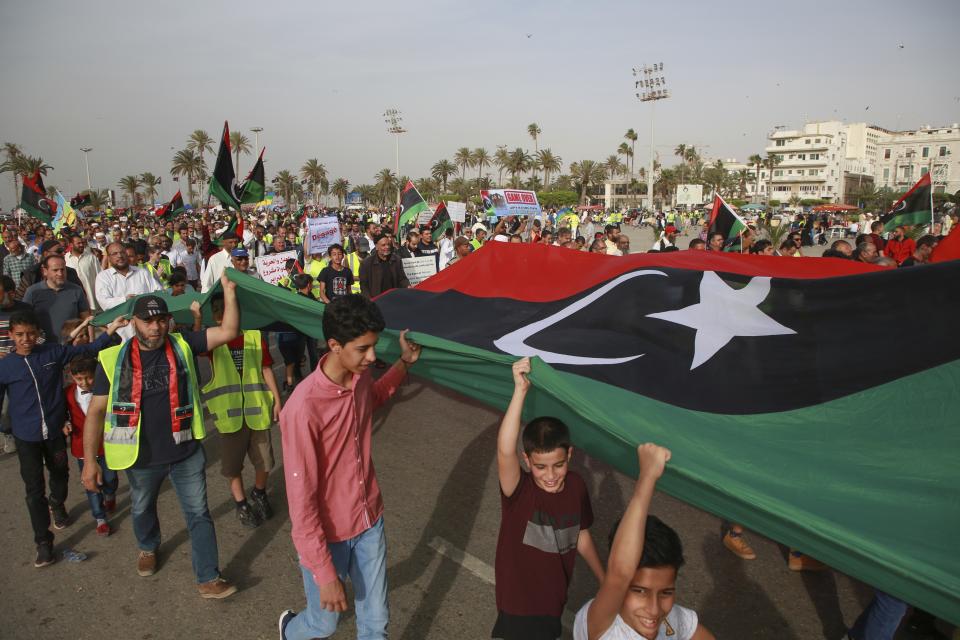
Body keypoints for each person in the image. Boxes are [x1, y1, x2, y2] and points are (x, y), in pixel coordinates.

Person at [81, 274, 241, 598]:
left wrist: (229, 292)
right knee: (142, 508)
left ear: (169, 321)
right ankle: (147, 545)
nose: (155, 327)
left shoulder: (183, 344)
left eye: (160, 320)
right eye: (147, 321)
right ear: (134, 322)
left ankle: (208, 577)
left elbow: (228, 331)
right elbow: (95, 412)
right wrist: (89, 463)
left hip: (185, 451)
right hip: (140, 457)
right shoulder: (111, 359)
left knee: (199, 513)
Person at [278, 294, 422, 640]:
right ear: (334, 345)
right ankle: (289, 629)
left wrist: (403, 363)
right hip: (327, 537)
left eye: (374, 346)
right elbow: (301, 504)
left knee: (376, 621)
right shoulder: (302, 409)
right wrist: (326, 575)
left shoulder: (359, 380)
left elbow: (374, 397)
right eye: (363, 349)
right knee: (323, 624)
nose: (372, 357)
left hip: (369, 520)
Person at [0, 310, 125, 567]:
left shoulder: (51, 353)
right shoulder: (5, 367)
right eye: (20, 335)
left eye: (31, 334)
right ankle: (43, 542)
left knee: (60, 476)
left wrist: (111, 330)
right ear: (11, 335)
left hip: (56, 433)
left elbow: (89, 349)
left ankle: (57, 503)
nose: (26, 339)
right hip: (26, 438)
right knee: (34, 491)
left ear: (38, 334)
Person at [492, 357, 604, 640]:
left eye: (558, 465)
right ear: (526, 460)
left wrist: (605, 578)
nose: (550, 475)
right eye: (540, 467)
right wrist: (520, 391)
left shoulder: (577, 486)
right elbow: (504, 450)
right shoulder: (520, 492)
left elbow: (581, 534)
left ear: (569, 455)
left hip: (554, 602)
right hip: (519, 605)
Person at [575, 445, 713, 640]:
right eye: (639, 591)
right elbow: (620, 573)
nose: (654, 609)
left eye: (666, 592)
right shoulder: (605, 629)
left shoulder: (673, 618)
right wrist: (648, 475)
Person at [202, 295, 282, 529]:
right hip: (230, 418)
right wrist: (197, 320)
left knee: (265, 461)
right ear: (218, 319)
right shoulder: (213, 341)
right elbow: (192, 346)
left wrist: (277, 400)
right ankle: (241, 504)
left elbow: (266, 369)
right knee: (232, 466)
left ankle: (259, 493)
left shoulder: (255, 337)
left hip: (258, 413)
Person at [64, 355, 118, 537]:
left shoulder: (106, 390)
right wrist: (64, 423)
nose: (84, 383)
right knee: (91, 484)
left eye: (88, 377)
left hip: (107, 444)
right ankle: (100, 518)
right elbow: (62, 413)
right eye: (79, 378)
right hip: (82, 447)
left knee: (110, 478)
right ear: (72, 377)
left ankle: (110, 494)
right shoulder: (67, 394)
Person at [95, 241, 163, 341]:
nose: (120, 256)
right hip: (121, 333)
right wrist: (125, 300)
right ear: (109, 258)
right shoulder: (103, 277)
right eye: (115, 254)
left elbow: (158, 292)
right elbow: (104, 302)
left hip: (148, 329)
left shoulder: (142, 273)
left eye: (122, 252)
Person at [23, 254, 92, 345]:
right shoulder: (32, 292)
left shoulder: (76, 290)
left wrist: (91, 342)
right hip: (43, 348)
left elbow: (86, 318)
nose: (60, 274)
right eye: (55, 270)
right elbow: (24, 321)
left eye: (62, 270)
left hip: (70, 347)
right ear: (45, 271)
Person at [0, 275, 31, 454]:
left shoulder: (25, 310)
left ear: (11, 293)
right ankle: (6, 430)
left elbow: (39, 334)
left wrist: (20, 349)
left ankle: (13, 433)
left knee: (11, 405)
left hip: (20, 364)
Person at [359, 234, 409, 299]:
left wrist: (407, 286)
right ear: (376, 247)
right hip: (376, 301)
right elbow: (364, 286)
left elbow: (402, 279)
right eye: (383, 245)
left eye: (388, 244)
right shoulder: (366, 264)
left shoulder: (396, 260)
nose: (387, 247)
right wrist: (370, 301)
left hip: (395, 299)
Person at [65, 233, 102, 312]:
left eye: (82, 243)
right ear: (71, 244)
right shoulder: (65, 259)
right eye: (78, 243)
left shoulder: (91, 257)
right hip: (74, 299)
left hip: (92, 300)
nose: (81, 245)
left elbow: (100, 276)